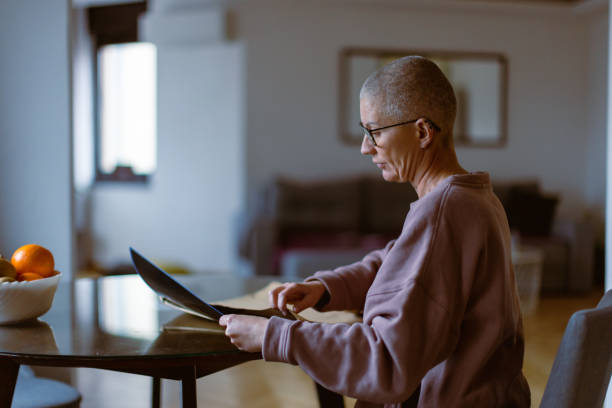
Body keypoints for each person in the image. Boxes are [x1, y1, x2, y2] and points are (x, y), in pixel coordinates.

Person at [219, 56, 531, 407]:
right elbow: (396, 264)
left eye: (375, 132)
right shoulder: (472, 196)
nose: (366, 147)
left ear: (423, 132)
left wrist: (273, 335)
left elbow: (386, 363)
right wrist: (324, 288)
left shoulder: (445, 212)